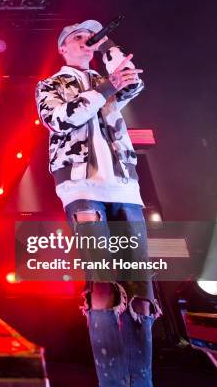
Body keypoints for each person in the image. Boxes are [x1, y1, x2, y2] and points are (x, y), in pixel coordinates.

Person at [35, 20, 161, 386]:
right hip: (82, 188)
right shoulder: (51, 85)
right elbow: (62, 118)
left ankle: (141, 381)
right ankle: (111, 381)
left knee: (141, 287)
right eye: (78, 37)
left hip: (124, 187)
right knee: (102, 283)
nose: (85, 41)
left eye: (90, 37)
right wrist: (103, 87)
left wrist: (109, 49)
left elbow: (133, 82)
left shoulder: (104, 78)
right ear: (62, 48)